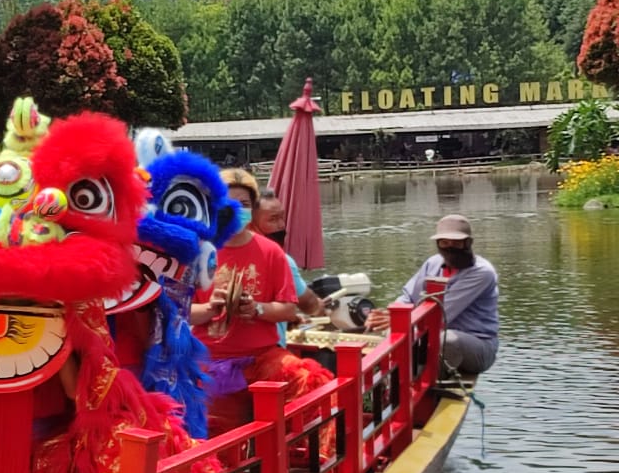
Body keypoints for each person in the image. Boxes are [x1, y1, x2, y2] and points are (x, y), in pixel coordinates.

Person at [189, 169, 331, 432]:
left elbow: (288, 309)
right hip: (211, 359)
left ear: (252, 209)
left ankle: (308, 453)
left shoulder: (271, 252)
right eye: (228, 203)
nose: (236, 210)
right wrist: (210, 308)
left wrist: (257, 309)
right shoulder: (196, 253)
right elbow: (180, 312)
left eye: (243, 204)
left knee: (308, 380)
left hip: (263, 357)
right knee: (212, 432)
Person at [365, 214, 498, 374]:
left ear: (468, 243)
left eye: (457, 243)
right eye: (444, 243)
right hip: (429, 331)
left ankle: (425, 379)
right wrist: (391, 314)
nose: (450, 248)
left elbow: (441, 314)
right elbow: (408, 297)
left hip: (477, 343)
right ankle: (396, 378)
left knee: (445, 342)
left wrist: (400, 320)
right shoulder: (433, 263)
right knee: (389, 331)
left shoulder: (482, 272)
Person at [252, 189, 323, 345]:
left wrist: (287, 318)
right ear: (251, 223)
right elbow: (309, 304)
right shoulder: (280, 259)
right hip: (268, 350)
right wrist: (319, 306)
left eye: (282, 218)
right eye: (273, 219)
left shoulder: (219, 253)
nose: (281, 225)